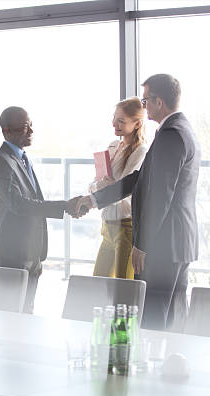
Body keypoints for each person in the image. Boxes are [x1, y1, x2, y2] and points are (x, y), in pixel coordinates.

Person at [76, 74, 201, 331]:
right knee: (172, 320)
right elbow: (139, 179)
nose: (143, 107)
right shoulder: (180, 129)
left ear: (159, 101)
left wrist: (142, 244)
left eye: (145, 101)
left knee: (153, 322)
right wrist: (94, 199)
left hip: (164, 244)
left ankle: (151, 369)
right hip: (177, 242)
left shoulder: (171, 134)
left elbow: (160, 195)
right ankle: (167, 366)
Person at [0, 106, 81, 314]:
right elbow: (19, 204)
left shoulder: (22, 159)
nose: (31, 131)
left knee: (27, 312)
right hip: (11, 253)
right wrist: (64, 206)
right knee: (10, 316)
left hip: (32, 251)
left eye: (31, 125)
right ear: (6, 131)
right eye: (25, 127)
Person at [90, 97, 148, 280]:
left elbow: (126, 189)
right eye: (115, 118)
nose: (114, 123)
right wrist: (101, 187)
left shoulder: (141, 151)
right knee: (97, 283)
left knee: (122, 289)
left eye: (121, 120)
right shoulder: (113, 146)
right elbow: (94, 185)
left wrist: (105, 188)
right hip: (107, 226)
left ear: (137, 123)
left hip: (125, 228)